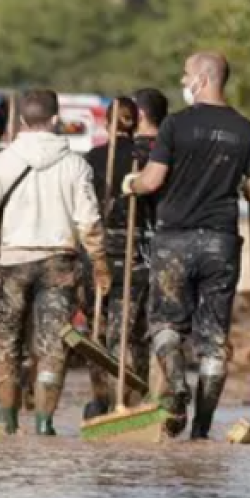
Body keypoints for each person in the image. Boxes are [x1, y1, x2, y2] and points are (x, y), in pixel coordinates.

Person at [123, 52, 250, 440]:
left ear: (203, 79)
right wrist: (239, 183)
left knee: (166, 324)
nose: (183, 80)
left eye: (187, 75)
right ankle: (202, 431)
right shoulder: (245, 130)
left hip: (174, 240)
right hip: (220, 244)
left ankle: (175, 387)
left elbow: (153, 181)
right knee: (214, 340)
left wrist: (131, 184)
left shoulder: (175, 125)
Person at [0, 89, 110, 436]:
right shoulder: (75, 165)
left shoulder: (0, 163)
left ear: (21, 121)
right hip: (59, 263)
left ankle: (6, 420)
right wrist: (100, 264)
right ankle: (44, 424)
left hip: (13, 263)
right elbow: (89, 222)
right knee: (53, 345)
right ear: (56, 120)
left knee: (6, 341)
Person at [81, 96, 153, 419]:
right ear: (136, 124)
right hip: (138, 251)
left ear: (106, 124)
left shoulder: (89, 160)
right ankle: (133, 399)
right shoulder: (149, 159)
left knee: (101, 328)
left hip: (98, 252)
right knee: (133, 332)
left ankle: (103, 400)